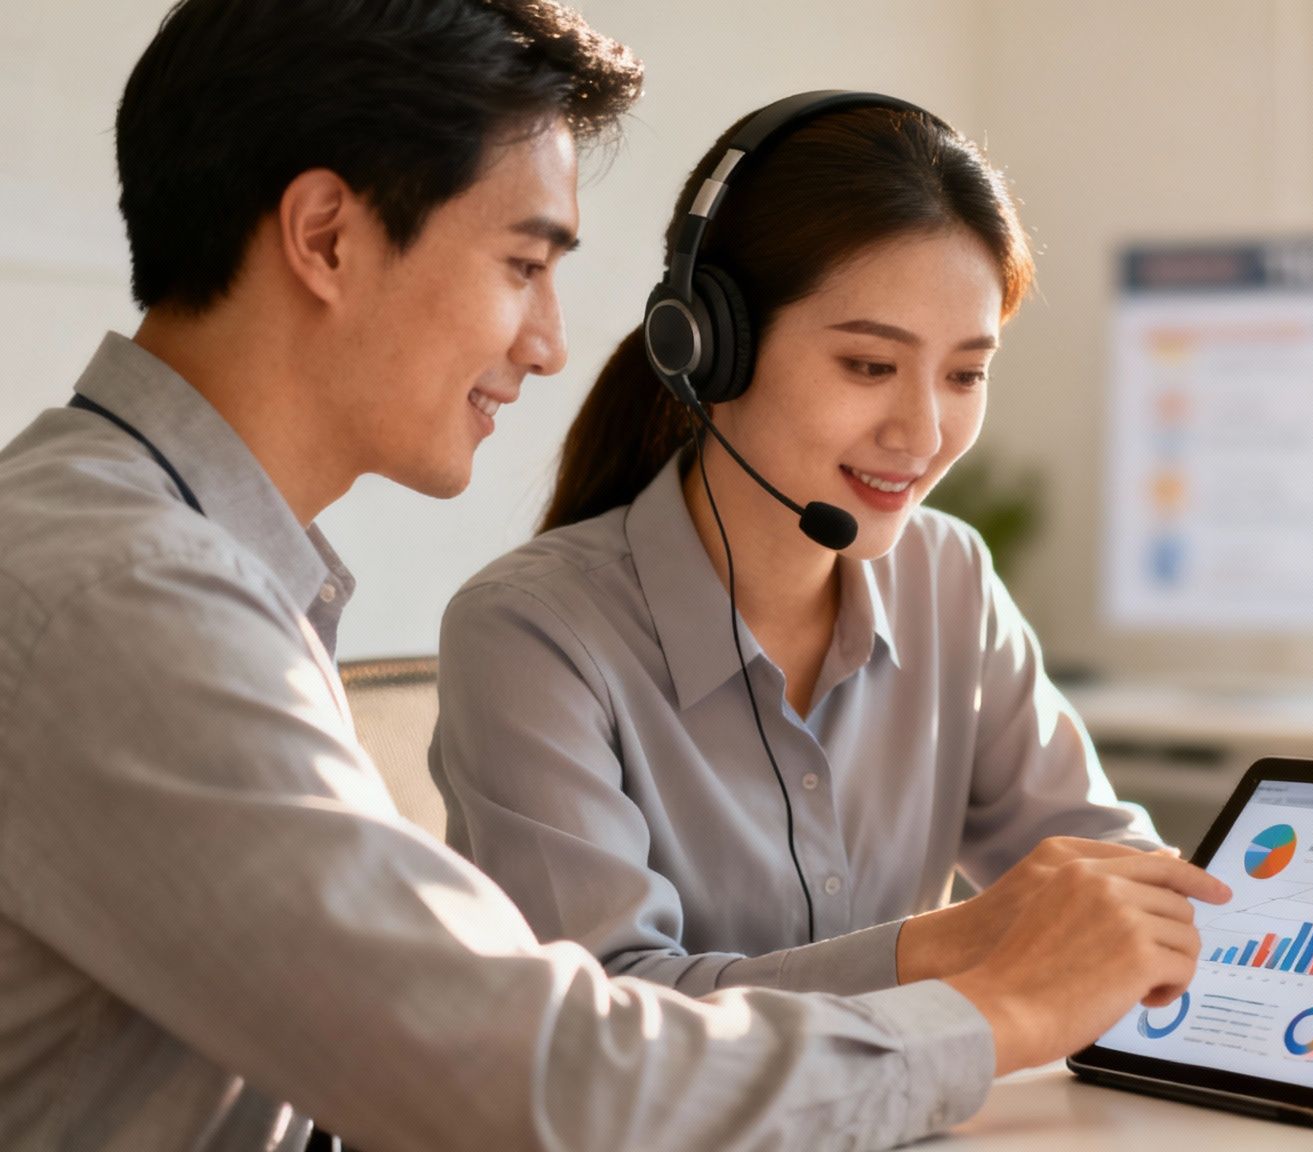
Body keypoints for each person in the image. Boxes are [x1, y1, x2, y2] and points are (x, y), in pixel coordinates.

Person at [0, 3, 1227, 1150]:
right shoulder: (126, 594)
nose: (547, 346)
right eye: (523, 266)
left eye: (964, 371)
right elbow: (533, 1073)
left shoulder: (185, 566)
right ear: (325, 238)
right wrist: (995, 1002)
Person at [428, 94, 1167, 1000]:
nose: (923, 433)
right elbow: (610, 1012)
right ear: (709, 351)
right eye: (869, 366)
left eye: (965, 374)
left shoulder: (949, 577)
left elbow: (1099, 861)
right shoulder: (533, 633)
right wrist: (944, 948)